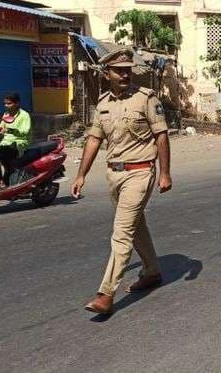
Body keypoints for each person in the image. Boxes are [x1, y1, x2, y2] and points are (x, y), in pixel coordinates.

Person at [71, 49, 172, 316]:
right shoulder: (103, 103)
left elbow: (161, 135)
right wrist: (81, 174)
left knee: (122, 231)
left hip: (140, 173)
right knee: (136, 224)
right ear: (107, 74)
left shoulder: (146, 99)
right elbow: (94, 139)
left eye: (128, 69)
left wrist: (165, 173)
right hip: (114, 174)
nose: (125, 73)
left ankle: (106, 294)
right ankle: (151, 270)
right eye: (119, 70)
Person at [0, 92, 31, 187]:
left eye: (9, 103)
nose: (6, 106)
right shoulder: (6, 114)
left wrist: (11, 130)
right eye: (5, 103)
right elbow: (1, 128)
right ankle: (0, 179)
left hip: (19, 143)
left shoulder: (24, 115)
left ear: (17, 103)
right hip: (5, 143)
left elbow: (25, 131)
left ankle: (0, 181)